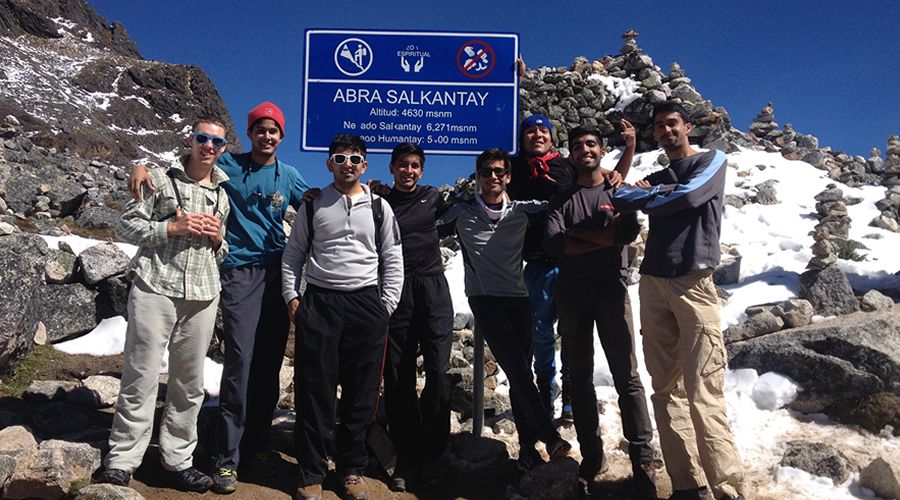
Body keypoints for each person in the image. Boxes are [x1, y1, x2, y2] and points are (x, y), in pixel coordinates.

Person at [128, 102, 309, 494]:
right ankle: (226, 458)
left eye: (273, 130)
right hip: (238, 272)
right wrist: (141, 167)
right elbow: (187, 169)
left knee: (268, 363)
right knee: (240, 362)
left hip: (276, 272)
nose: (266, 136)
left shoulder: (289, 175)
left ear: (281, 135)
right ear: (249, 134)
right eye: (260, 130)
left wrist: (368, 190)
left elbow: (315, 204)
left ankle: (255, 445)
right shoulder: (228, 172)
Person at [613, 101, 746, 500]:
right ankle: (687, 485)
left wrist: (651, 194)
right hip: (653, 283)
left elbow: (688, 198)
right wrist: (655, 191)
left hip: (693, 281)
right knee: (664, 387)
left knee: (704, 387)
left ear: (687, 126)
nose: (666, 131)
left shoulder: (713, 159)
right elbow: (620, 197)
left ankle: (728, 490)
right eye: (659, 126)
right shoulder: (660, 174)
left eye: (672, 123)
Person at [95, 117, 231, 492]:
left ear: (223, 149)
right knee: (141, 374)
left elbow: (222, 252)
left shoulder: (223, 194)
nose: (209, 147)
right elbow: (125, 226)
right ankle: (122, 459)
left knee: (189, 383)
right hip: (156, 286)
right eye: (203, 139)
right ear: (191, 140)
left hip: (203, 294)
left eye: (216, 143)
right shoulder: (159, 179)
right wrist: (172, 228)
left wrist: (219, 239)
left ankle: (177, 459)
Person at [282, 134, 404, 500]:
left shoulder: (381, 207)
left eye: (355, 159)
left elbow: (393, 258)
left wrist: (386, 306)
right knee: (313, 390)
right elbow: (294, 255)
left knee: (362, 392)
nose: (347, 164)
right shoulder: (313, 205)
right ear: (329, 163)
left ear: (365, 165)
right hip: (320, 303)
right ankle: (311, 472)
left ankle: (352, 469)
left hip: (366, 304)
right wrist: (292, 298)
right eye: (339, 157)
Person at [439, 148, 572, 472]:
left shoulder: (523, 211)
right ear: (478, 177)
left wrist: (615, 173)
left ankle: (527, 450)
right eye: (487, 171)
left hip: (518, 297)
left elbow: (566, 201)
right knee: (517, 367)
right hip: (485, 299)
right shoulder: (460, 212)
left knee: (519, 372)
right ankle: (549, 436)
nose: (493, 176)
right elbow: (419, 225)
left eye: (500, 171)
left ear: (509, 176)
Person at [544, 125, 656, 497]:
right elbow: (558, 246)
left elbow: (625, 234)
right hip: (572, 294)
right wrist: (601, 238)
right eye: (577, 146)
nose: (584, 150)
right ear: (570, 155)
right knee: (579, 379)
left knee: (627, 377)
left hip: (611, 290)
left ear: (601, 149)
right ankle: (592, 456)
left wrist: (580, 235)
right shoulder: (561, 199)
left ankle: (643, 459)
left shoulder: (617, 189)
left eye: (590, 144)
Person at [506, 114, 634, 420]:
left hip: (571, 263)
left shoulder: (565, 165)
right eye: (530, 131)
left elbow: (603, 182)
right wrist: (513, 80)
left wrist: (627, 153)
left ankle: (571, 392)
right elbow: (501, 113)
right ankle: (545, 388)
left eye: (543, 131)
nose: (537, 135)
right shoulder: (514, 167)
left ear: (552, 138)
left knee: (571, 333)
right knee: (541, 333)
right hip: (536, 260)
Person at [369, 143, 453, 492]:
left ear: (422, 170)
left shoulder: (433, 197)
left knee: (437, 372)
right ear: (391, 168)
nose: (409, 170)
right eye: (402, 165)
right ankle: (407, 457)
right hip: (397, 290)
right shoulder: (380, 204)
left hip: (433, 291)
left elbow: (476, 208)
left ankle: (432, 456)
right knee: (399, 376)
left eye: (415, 165)